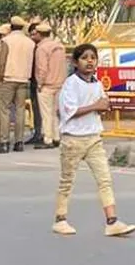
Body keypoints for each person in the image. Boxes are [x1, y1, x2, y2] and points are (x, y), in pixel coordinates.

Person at [53, 43, 135, 237]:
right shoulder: (71, 84)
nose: (89, 61)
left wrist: (102, 106)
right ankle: (60, 219)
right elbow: (69, 112)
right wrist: (95, 105)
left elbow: (102, 103)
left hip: (94, 138)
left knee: (104, 179)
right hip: (73, 139)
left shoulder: (97, 84)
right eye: (84, 58)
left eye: (93, 57)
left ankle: (112, 221)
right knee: (67, 181)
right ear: (75, 62)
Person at [0, 15, 35, 153]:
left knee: (4, 110)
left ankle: (4, 142)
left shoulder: (6, 40)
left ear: (11, 26)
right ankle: (19, 142)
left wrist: (0, 77)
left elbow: (2, 60)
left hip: (8, 77)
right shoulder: (30, 42)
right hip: (23, 79)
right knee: (20, 110)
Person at [33, 23, 67, 150]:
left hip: (47, 85)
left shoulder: (42, 48)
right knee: (55, 113)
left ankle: (48, 139)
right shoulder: (60, 47)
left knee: (46, 113)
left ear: (40, 34)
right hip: (60, 84)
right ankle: (57, 137)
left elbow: (42, 68)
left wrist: (40, 83)